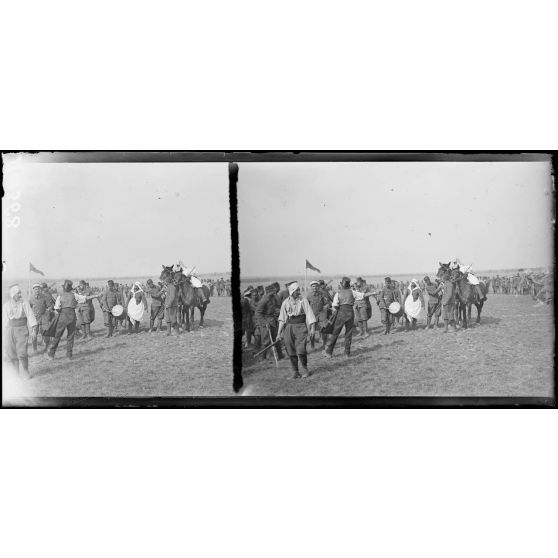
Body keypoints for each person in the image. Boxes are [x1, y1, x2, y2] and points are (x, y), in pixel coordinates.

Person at [48, 279, 97, 360]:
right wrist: (96, 296)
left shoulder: (60, 296)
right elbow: (85, 298)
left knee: (58, 335)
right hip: (72, 317)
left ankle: (51, 354)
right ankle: (69, 355)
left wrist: (61, 311)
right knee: (70, 336)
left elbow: (56, 308)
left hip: (63, 317)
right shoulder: (74, 295)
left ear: (64, 288)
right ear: (70, 288)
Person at [277, 282, 316, 379]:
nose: (299, 292)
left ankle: (305, 370)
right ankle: (295, 372)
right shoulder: (285, 302)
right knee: (290, 349)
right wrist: (278, 334)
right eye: (296, 290)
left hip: (301, 326)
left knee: (301, 349)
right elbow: (282, 319)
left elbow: (310, 314)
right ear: (292, 291)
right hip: (289, 327)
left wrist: (312, 328)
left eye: (299, 290)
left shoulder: (303, 301)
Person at [3, 284, 38, 379]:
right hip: (9, 330)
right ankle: (16, 374)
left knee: (22, 353)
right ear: (13, 294)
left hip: (22, 330)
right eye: (18, 293)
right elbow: (4, 320)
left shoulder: (24, 303)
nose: (20, 295)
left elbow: (30, 316)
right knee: (12, 353)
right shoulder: (6, 305)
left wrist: (34, 330)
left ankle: (26, 371)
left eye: (20, 292)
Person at [324, 277, 356, 357]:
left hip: (341, 313)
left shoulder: (338, 293)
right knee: (348, 333)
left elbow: (334, 306)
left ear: (341, 285)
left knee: (335, 333)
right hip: (350, 313)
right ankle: (347, 353)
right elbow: (363, 295)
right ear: (349, 285)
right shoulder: (352, 292)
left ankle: (329, 352)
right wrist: (374, 293)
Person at [255, 284, 284, 361]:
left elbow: (274, 308)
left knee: (276, 338)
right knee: (265, 341)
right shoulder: (263, 300)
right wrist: (264, 322)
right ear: (268, 292)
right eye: (272, 291)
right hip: (266, 322)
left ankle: (280, 355)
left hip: (273, 321)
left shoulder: (273, 298)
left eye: (274, 291)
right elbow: (258, 313)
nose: (274, 293)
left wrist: (280, 311)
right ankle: (262, 357)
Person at [30, 282, 54, 352]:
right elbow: (28, 308)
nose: (37, 290)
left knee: (45, 333)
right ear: (33, 290)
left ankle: (47, 347)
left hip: (44, 318)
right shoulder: (31, 298)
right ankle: (34, 349)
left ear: (40, 289)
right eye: (35, 289)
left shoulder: (45, 297)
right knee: (34, 335)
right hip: (35, 319)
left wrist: (48, 311)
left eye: (38, 289)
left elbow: (50, 306)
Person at [306, 280, 331, 348]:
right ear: (311, 287)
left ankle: (324, 344)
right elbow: (306, 306)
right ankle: (312, 345)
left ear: (318, 287)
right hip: (312, 315)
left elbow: (327, 303)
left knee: (324, 329)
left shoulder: (322, 294)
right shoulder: (309, 296)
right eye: (313, 286)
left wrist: (326, 306)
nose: (315, 288)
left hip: (321, 315)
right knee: (312, 331)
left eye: (316, 286)